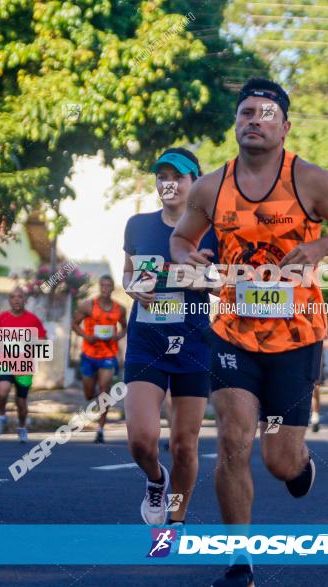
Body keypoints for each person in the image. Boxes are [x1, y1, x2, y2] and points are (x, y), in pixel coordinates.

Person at [169, 78, 328, 587]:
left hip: (297, 336)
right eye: (245, 113)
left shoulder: (309, 180)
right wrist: (187, 257)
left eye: (265, 113)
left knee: (278, 461)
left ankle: (299, 462)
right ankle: (240, 562)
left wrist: (321, 248)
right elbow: (180, 238)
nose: (253, 120)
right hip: (233, 331)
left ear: (284, 126)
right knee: (234, 441)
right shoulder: (211, 186)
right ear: (235, 124)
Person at [122, 147, 218, 527]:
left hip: (193, 341)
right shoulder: (138, 225)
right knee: (142, 439)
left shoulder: (214, 229)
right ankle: (155, 481)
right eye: (163, 176)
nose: (169, 183)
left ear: (195, 182)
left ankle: (177, 519)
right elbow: (128, 272)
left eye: (178, 176)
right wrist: (131, 287)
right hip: (147, 339)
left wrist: (203, 280)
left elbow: (225, 284)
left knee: (183, 444)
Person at [71, 275, 127, 443]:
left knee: (104, 389)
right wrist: (86, 336)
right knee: (89, 395)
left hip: (108, 354)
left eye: (109, 286)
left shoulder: (120, 309)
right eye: (102, 285)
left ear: (112, 289)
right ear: (99, 287)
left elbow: (124, 328)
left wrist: (117, 336)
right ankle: (95, 395)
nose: (105, 288)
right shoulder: (88, 305)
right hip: (89, 354)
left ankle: (100, 429)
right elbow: (74, 324)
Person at [0, 287, 48, 442]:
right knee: (2, 392)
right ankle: (2, 417)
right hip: (6, 362)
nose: (16, 300)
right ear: (9, 300)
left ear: (25, 300)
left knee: (21, 401)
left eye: (19, 297)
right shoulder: (1, 318)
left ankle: (22, 427)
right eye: (13, 297)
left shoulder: (33, 319)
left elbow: (42, 340)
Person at [310, 332, 328, 433]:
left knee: (315, 388)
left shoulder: (319, 321)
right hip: (297, 359)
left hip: (316, 360)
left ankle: (315, 415)